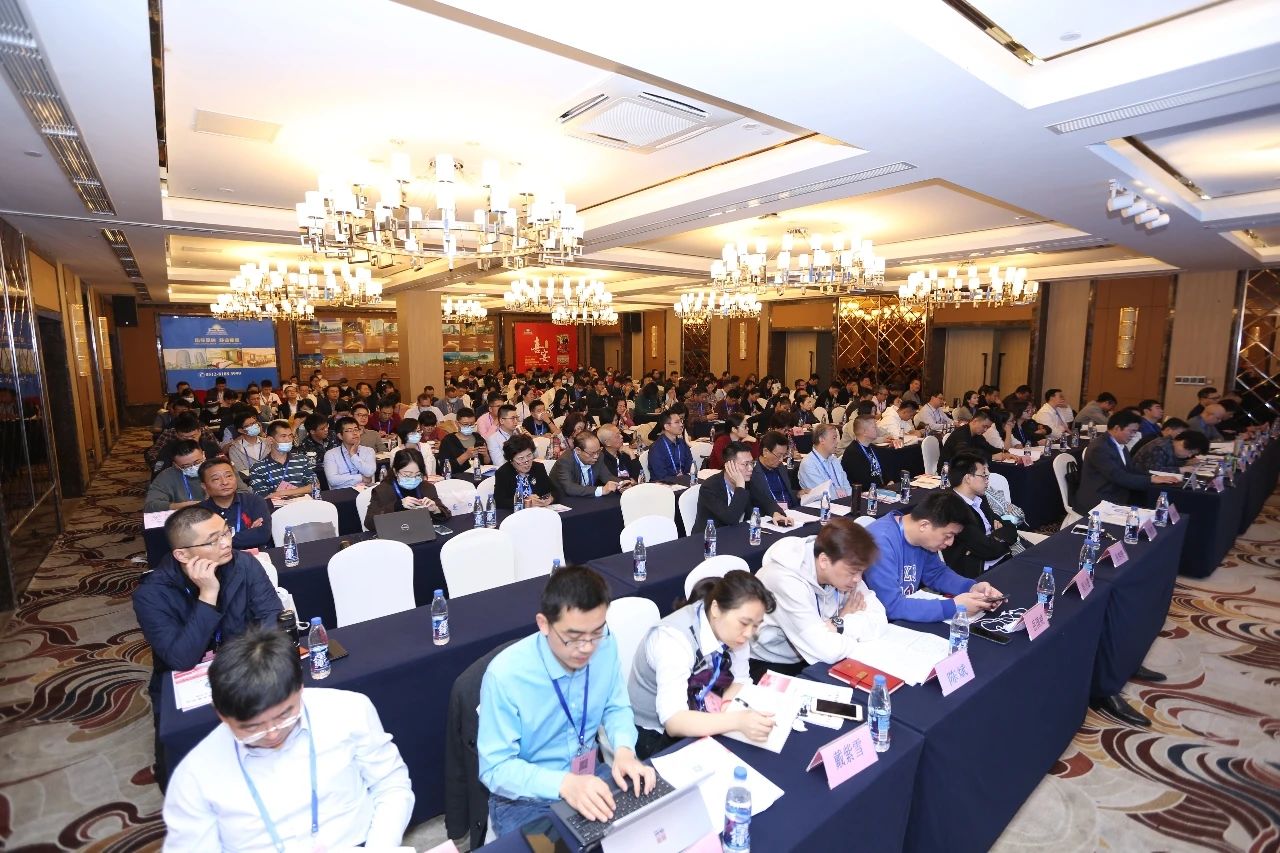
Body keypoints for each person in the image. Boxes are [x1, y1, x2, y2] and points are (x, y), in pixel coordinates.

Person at [162, 626, 414, 848]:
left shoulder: (349, 710)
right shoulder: (195, 774)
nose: (272, 734)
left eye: (285, 715)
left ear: (300, 688)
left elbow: (391, 786)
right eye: (252, 727)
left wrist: (380, 846)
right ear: (222, 715)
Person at [478, 566, 654, 836]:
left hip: (589, 775)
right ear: (544, 624)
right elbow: (495, 769)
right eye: (573, 638)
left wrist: (624, 751)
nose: (587, 647)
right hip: (525, 798)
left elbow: (615, 707)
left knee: (646, 830)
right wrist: (565, 784)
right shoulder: (505, 676)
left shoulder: (606, 645)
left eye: (596, 633)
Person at [132, 506, 282, 787]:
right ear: (182, 554)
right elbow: (181, 658)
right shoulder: (151, 594)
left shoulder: (244, 565)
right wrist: (208, 594)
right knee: (178, 773)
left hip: (245, 665)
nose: (226, 543)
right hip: (183, 682)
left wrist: (252, 661)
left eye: (226, 532)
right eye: (213, 540)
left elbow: (271, 616)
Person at [628, 571, 778, 759]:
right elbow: (674, 721)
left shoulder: (731, 629)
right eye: (744, 623)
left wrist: (727, 707)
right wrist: (736, 721)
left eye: (756, 625)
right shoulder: (673, 640)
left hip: (700, 706)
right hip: (653, 732)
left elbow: (739, 679)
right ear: (716, 609)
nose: (749, 633)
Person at [750, 517, 888, 678]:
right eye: (853, 572)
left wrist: (838, 624)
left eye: (861, 572)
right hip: (769, 663)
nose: (858, 579)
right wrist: (842, 624)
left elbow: (880, 617)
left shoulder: (842, 567)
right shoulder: (785, 580)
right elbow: (827, 651)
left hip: (810, 655)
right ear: (824, 561)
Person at [863, 491, 1005, 622]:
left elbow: (936, 573)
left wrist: (972, 588)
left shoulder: (920, 539)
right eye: (948, 536)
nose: (950, 542)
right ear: (924, 525)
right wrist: (953, 606)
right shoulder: (880, 543)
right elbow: (891, 606)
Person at [1073, 410, 1182, 514]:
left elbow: (1131, 470)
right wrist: (1151, 479)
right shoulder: (1100, 448)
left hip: (1117, 492)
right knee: (1149, 503)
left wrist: (1154, 477)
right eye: (1132, 431)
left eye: (1136, 431)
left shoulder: (1120, 445)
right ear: (1117, 428)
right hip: (1100, 499)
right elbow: (1118, 476)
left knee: (1155, 499)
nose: (1134, 435)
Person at [941, 452, 1018, 578]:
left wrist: (994, 537)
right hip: (977, 572)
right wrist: (999, 536)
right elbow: (988, 550)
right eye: (984, 476)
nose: (987, 481)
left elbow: (1010, 527)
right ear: (968, 478)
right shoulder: (953, 507)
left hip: (1000, 559)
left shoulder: (979, 498)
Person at [692, 441, 790, 532]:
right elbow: (730, 519)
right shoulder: (709, 488)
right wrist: (740, 486)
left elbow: (766, 500)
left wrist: (776, 513)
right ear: (729, 466)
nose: (750, 468)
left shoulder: (748, 482)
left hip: (735, 534)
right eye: (745, 464)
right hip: (709, 537)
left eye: (752, 463)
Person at [365, 447, 451, 529]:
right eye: (407, 475)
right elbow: (369, 523)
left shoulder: (427, 487)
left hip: (421, 531)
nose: (413, 479)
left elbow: (446, 514)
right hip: (394, 534)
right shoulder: (383, 490)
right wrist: (397, 506)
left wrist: (435, 510)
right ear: (395, 471)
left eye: (417, 475)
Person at [198, 458, 273, 550]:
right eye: (216, 479)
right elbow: (202, 544)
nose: (225, 482)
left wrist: (218, 539)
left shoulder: (254, 501)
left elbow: (262, 535)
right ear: (204, 486)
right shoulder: (199, 512)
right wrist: (248, 533)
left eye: (229, 476)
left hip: (256, 556)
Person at [144, 440, 219, 512]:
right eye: (186, 466)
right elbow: (150, 506)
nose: (193, 467)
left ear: (204, 455)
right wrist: (182, 506)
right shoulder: (166, 476)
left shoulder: (218, 469)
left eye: (197, 462)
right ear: (175, 465)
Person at [248, 420, 315, 497]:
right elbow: (263, 496)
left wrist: (282, 493)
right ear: (270, 440)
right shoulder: (257, 468)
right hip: (275, 504)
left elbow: (315, 485)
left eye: (290, 436)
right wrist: (300, 491)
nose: (288, 439)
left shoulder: (302, 460)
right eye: (283, 436)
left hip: (303, 502)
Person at [493, 433, 557, 510]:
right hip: (516, 515)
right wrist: (524, 502)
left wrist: (550, 499)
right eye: (521, 458)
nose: (526, 462)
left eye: (529, 456)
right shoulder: (503, 473)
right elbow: (499, 502)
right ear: (511, 460)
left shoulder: (538, 468)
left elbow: (555, 491)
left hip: (539, 511)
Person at [147, 412, 222, 477]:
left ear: (199, 432)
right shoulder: (168, 449)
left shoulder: (211, 446)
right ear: (177, 435)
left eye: (193, 436)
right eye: (184, 437)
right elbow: (159, 473)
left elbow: (223, 466)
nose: (189, 440)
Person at [550, 432, 621, 500]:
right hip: (563, 499)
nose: (596, 456)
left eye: (598, 451)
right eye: (592, 453)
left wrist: (621, 484)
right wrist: (602, 490)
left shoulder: (599, 456)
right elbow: (570, 488)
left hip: (587, 497)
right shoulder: (565, 460)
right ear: (578, 450)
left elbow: (607, 476)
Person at [749, 430, 800, 513]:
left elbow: (783, 492)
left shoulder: (781, 467)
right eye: (779, 455)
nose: (781, 460)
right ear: (765, 452)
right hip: (770, 515)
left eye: (784, 455)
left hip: (792, 511)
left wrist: (798, 493)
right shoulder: (752, 473)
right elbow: (756, 502)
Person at [799, 423, 853, 497]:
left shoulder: (834, 459)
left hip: (843, 501)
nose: (837, 442)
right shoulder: (809, 463)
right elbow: (822, 494)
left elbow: (846, 486)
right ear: (822, 440)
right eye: (834, 438)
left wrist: (852, 499)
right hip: (824, 503)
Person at [941, 408, 1012, 464]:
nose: (985, 430)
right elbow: (965, 454)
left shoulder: (977, 435)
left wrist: (1005, 453)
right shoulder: (961, 434)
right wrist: (992, 457)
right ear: (975, 421)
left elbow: (989, 448)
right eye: (984, 426)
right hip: (949, 469)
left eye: (988, 427)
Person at [323, 416, 376, 489]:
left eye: (356, 429)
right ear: (340, 436)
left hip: (366, 492)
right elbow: (333, 480)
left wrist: (353, 455)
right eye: (349, 430)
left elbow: (369, 472)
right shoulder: (331, 454)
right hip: (343, 493)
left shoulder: (368, 451)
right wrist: (361, 478)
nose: (355, 433)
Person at [840, 415, 889, 490]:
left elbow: (882, 469)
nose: (877, 429)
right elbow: (862, 482)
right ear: (864, 432)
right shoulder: (852, 454)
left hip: (879, 489)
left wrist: (889, 481)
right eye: (874, 427)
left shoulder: (873, 448)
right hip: (865, 493)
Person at [1130, 429, 1210, 474]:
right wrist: (1181, 469)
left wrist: (1185, 463)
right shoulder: (1159, 448)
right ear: (1182, 443)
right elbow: (1153, 471)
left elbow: (1166, 463)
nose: (1189, 456)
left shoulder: (1170, 443)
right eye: (1190, 452)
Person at [438, 407, 489, 474]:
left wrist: (485, 455)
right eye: (465, 424)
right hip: (457, 477)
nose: (469, 427)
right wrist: (465, 456)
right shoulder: (448, 441)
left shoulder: (478, 437)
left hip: (479, 475)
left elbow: (487, 463)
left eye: (472, 424)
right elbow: (444, 468)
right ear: (457, 423)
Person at [647, 409, 693, 481]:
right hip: (662, 485)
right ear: (667, 427)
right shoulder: (656, 448)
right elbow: (661, 476)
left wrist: (683, 477)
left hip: (683, 481)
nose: (681, 424)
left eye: (681, 421)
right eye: (677, 422)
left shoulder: (682, 443)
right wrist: (677, 479)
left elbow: (689, 464)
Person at [486, 404, 523, 470]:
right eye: (512, 418)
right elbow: (499, 464)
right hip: (509, 471)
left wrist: (529, 439)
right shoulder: (493, 439)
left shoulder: (520, 434)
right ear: (501, 421)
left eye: (517, 418)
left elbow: (534, 455)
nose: (516, 421)